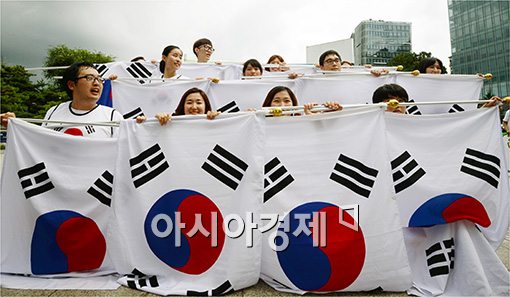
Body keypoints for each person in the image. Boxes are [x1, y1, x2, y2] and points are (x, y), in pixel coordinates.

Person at [1, 62, 123, 138]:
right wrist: (15, 126)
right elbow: (40, 143)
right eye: (89, 78)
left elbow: (124, 152)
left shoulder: (113, 117)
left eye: (99, 79)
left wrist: (139, 127)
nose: (97, 83)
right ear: (71, 85)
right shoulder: (54, 112)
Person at [136, 87, 219, 125]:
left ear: (206, 106)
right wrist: (144, 124)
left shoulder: (214, 124)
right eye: (189, 102)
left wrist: (219, 120)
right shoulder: (170, 123)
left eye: (199, 102)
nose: (194, 107)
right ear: (183, 106)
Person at [262, 85, 342, 115]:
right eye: (276, 101)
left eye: (287, 101)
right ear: (269, 104)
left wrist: (318, 119)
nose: (282, 105)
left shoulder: (303, 121)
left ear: (293, 105)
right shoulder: (259, 124)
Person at [318, 50, 387, 76]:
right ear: (321, 67)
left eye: (337, 60)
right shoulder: (313, 82)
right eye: (329, 61)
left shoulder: (354, 77)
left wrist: (378, 76)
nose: (334, 64)